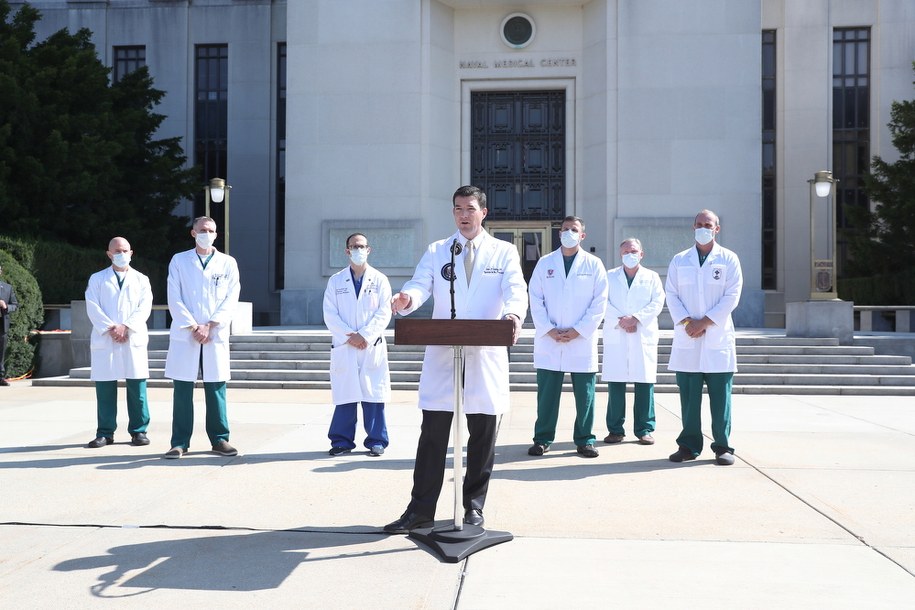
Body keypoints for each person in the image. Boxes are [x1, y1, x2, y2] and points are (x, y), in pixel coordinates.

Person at [383, 185, 527, 533]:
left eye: (470, 208)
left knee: (482, 434)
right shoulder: (438, 251)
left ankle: (473, 508)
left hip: (485, 352)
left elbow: (515, 289)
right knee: (432, 433)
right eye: (458, 208)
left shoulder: (503, 252)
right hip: (443, 352)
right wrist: (407, 299)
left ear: (484, 213)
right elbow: (420, 284)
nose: (464, 214)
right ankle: (420, 510)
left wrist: (513, 316)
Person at [527, 216, 608, 459]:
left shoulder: (593, 264)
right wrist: (548, 328)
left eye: (574, 230)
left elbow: (600, 301)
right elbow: (535, 297)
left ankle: (585, 440)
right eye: (564, 229)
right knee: (547, 396)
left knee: (585, 396)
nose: (568, 233)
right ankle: (542, 439)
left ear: (583, 235)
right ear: (558, 233)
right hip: (549, 339)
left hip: (580, 340)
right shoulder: (545, 263)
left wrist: (579, 330)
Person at [666, 209, 743, 466]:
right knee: (689, 397)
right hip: (689, 336)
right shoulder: (680, 260)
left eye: (707, 224)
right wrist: (690, 323)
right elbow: (672, 295)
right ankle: (688, 445)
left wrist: (705, 322)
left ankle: (723, 446)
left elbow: (732, 296)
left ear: (716, 229)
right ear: (693, 227)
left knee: (721, 397)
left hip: (716, 337)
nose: (703, 228)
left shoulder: (729, 259)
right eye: (699, 224)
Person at [163, 216, 241, 459]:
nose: (207, 233)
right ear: (193, 233)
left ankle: (220, 439)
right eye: (203, 230)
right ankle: (179, 442)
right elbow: (174, 297)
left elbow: (231, 297)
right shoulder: (179, 260)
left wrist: (210, 325)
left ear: (216, 235)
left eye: (211, 230)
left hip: (214, 333)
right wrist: (193, 326)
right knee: (183, 388)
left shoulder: (227, 263)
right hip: (187, 333)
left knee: (216, 386)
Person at [323, 232, 392, 457]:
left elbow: (384, 312)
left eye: (361, 246)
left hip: (370, 346)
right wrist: (349, 336)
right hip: (346, 345)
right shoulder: (336, 281)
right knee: (346, 394)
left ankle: (376, 441)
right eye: (354, 246)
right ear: (347, 251)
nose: (358, 250)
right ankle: (341, 441)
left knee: (373, 394)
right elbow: (329, 313)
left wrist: (364, 335)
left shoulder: (380, 279)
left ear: (369, 250)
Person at [84, 237, 153, 448]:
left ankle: (139, 431)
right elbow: (92, 306)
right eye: (117, 251)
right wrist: (112, 328)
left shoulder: (142, 279)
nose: (121, 254)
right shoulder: (97, 279)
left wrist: (126, 327)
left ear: (131, 253)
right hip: (107, 337)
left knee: (137, 388)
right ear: (109, 254)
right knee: (105, 388)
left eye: (124, 250)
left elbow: (144, 307)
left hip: (132, 337)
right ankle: (105, 432)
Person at [601, 238, 665, 446]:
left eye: (634, 251)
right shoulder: (609, 276)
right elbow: (602, 301)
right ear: (620, 255)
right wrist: (623, 320)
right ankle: (615, 430)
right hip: (617, 331)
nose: (630, 254)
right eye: (626, 252)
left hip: (641, 333)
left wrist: (636, 319)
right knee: (616, 383)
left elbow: (658, 302)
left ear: (641, 254)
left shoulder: (652, 277)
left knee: (644, 382)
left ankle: (644, 429)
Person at [0, 264, 19, 386]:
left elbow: (15, 305)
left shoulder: (7, 288)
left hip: (2, 325)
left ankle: (0, 377)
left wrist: (6, 306)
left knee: (1, 351)